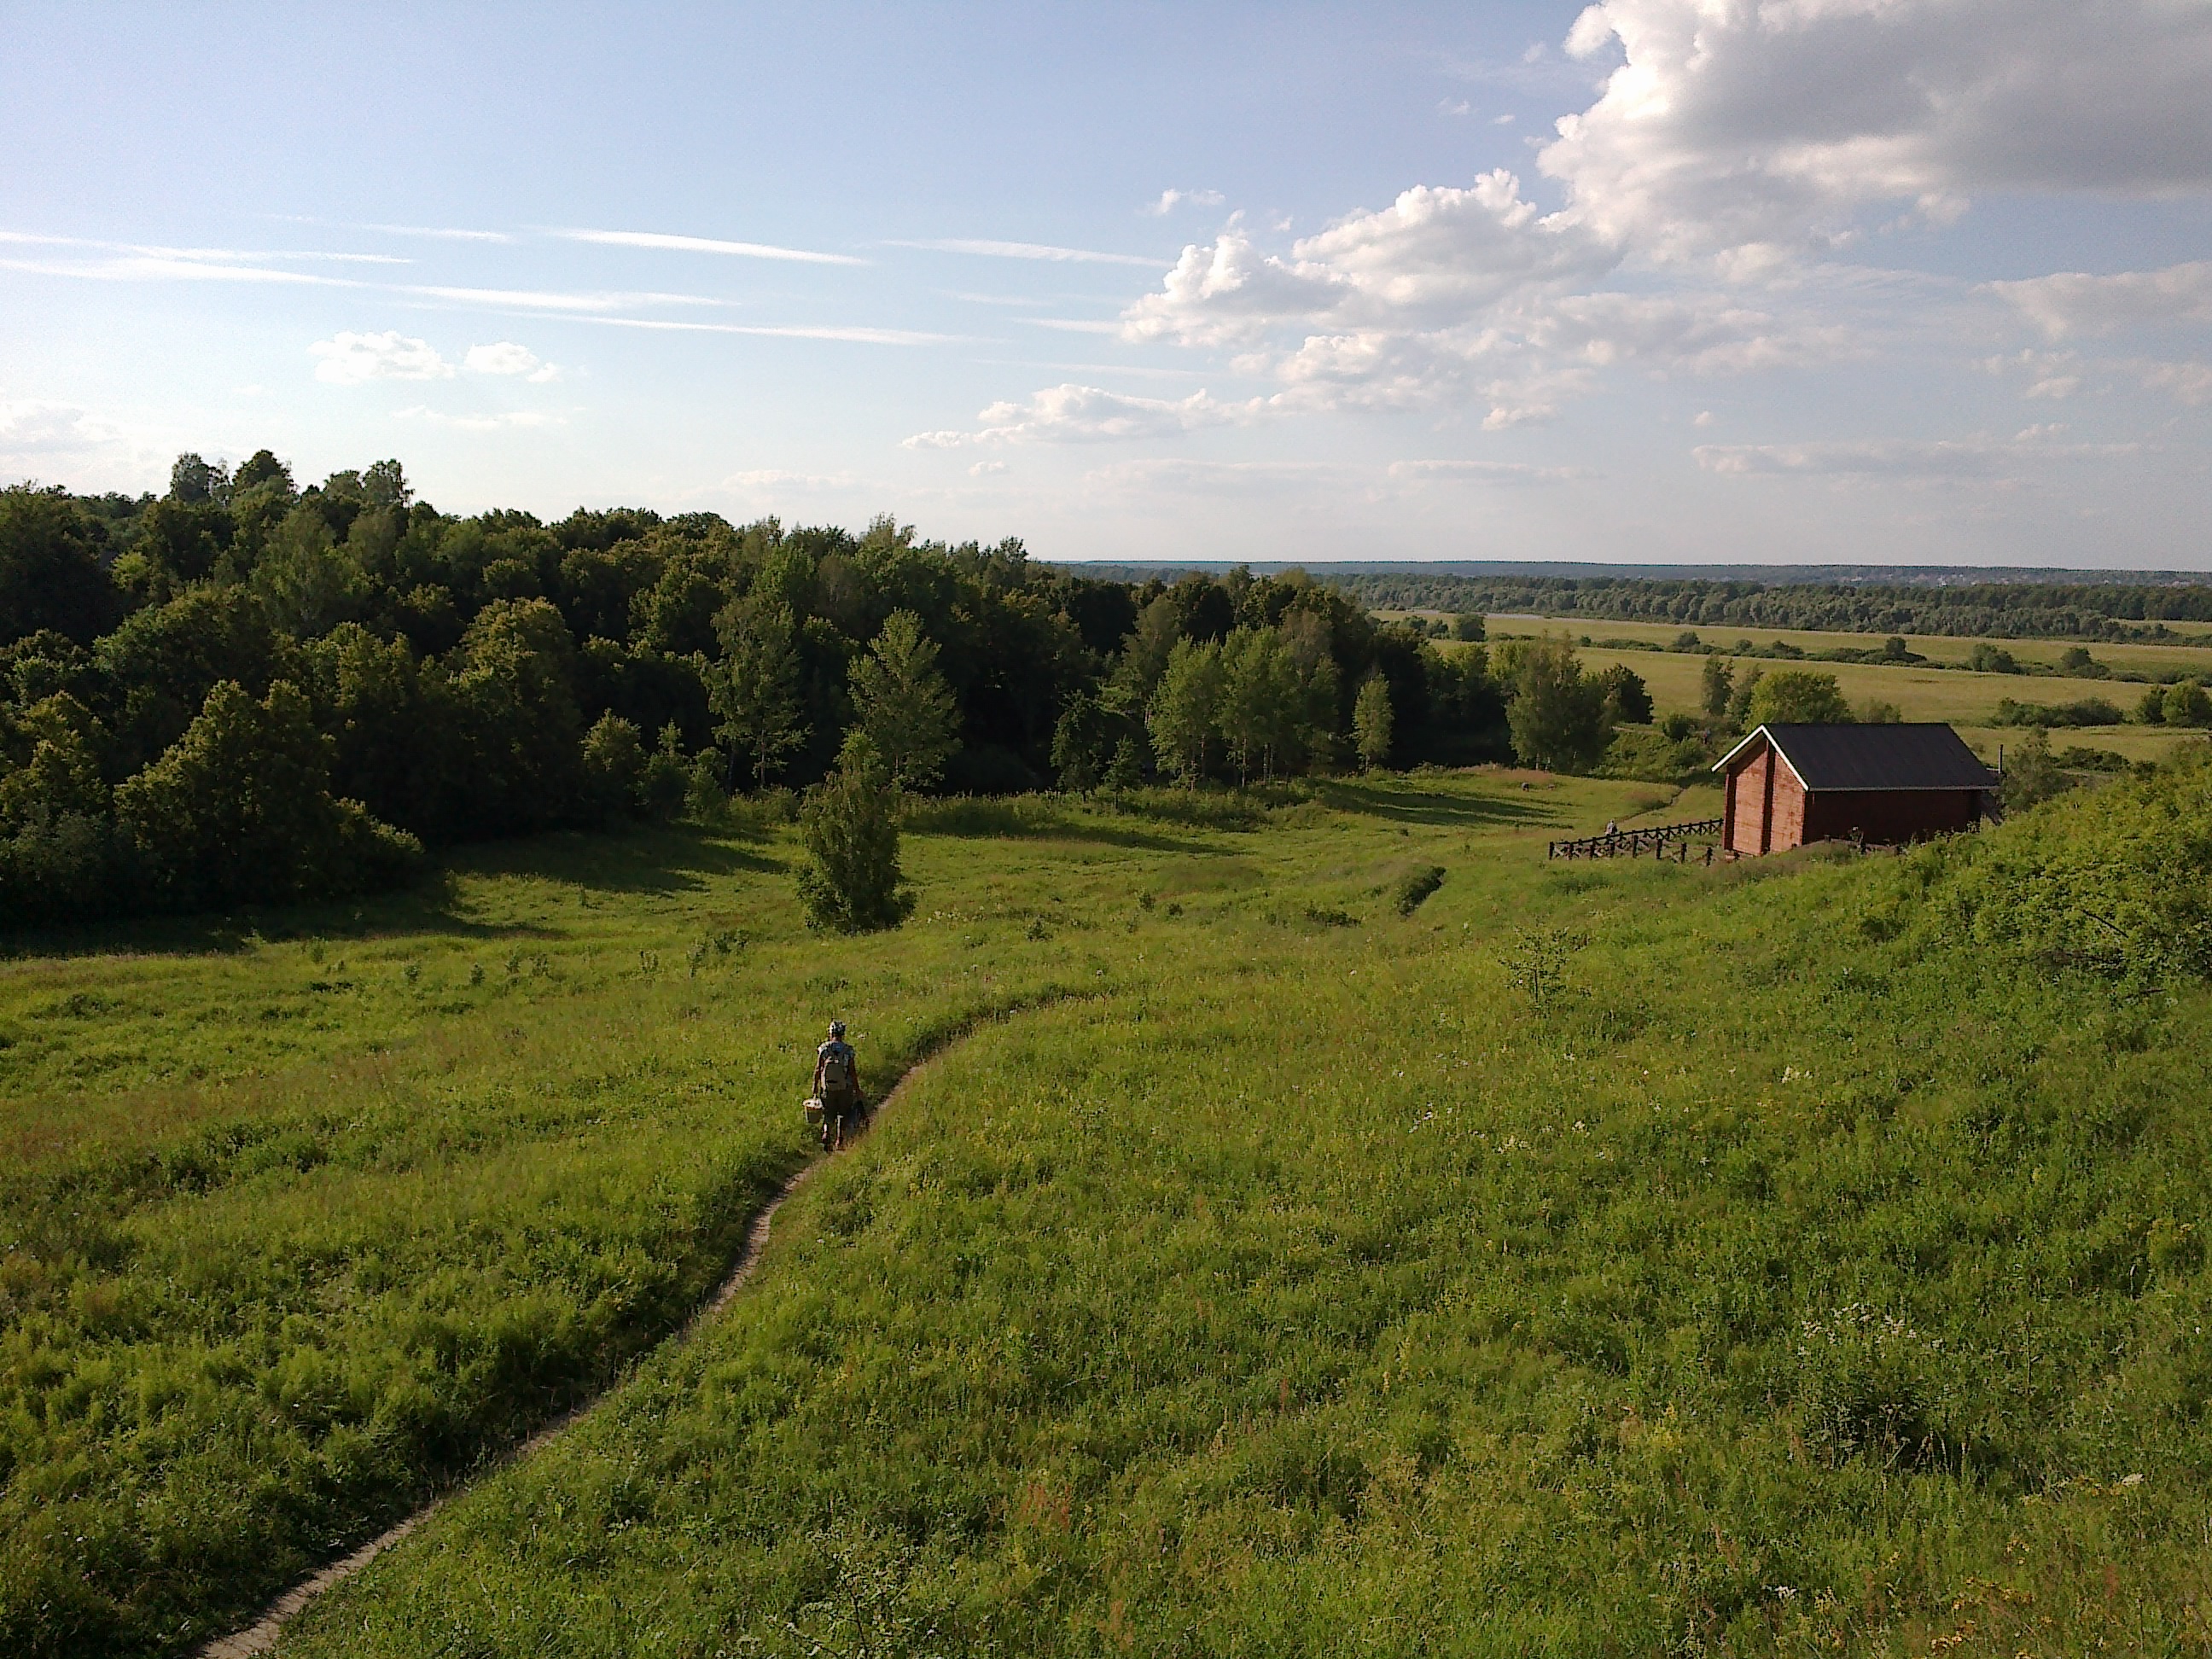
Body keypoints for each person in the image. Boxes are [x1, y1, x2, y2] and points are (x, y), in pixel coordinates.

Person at [813, 1020, 862, 1150]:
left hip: (827, 1087)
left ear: (830, 1033)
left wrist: (815, 1086)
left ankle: (826, 1133)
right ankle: (839, 1139)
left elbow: (818, 1069)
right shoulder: (848, 1051)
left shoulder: (823, 1049)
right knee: (843, 1113)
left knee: (828, 1112)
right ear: (842, 1034)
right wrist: (857, 1090)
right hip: (844, 1087)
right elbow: (852, 1072)